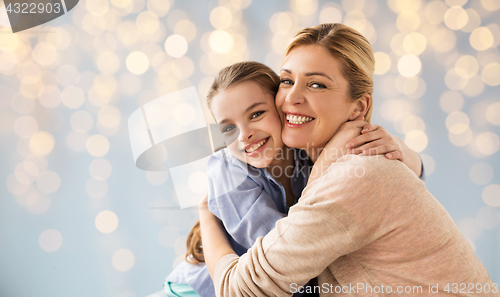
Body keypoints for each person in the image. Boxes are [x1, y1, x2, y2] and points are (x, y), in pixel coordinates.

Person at [198, 23, 498, 296]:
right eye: (287, 81)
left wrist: (206, 217)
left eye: (317, 84)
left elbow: (240, 290)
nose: (292, 98)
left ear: (358, 107)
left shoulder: (357, 175)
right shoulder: (321, 162)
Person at [164, 60, 426, 296]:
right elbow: (285, 259)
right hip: (198, 291)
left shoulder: (306, 150)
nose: (244, 135)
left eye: (256, 114)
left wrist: (403, 151)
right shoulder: (227, 171)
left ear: (282, 109)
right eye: (229, 128)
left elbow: (396, 188)